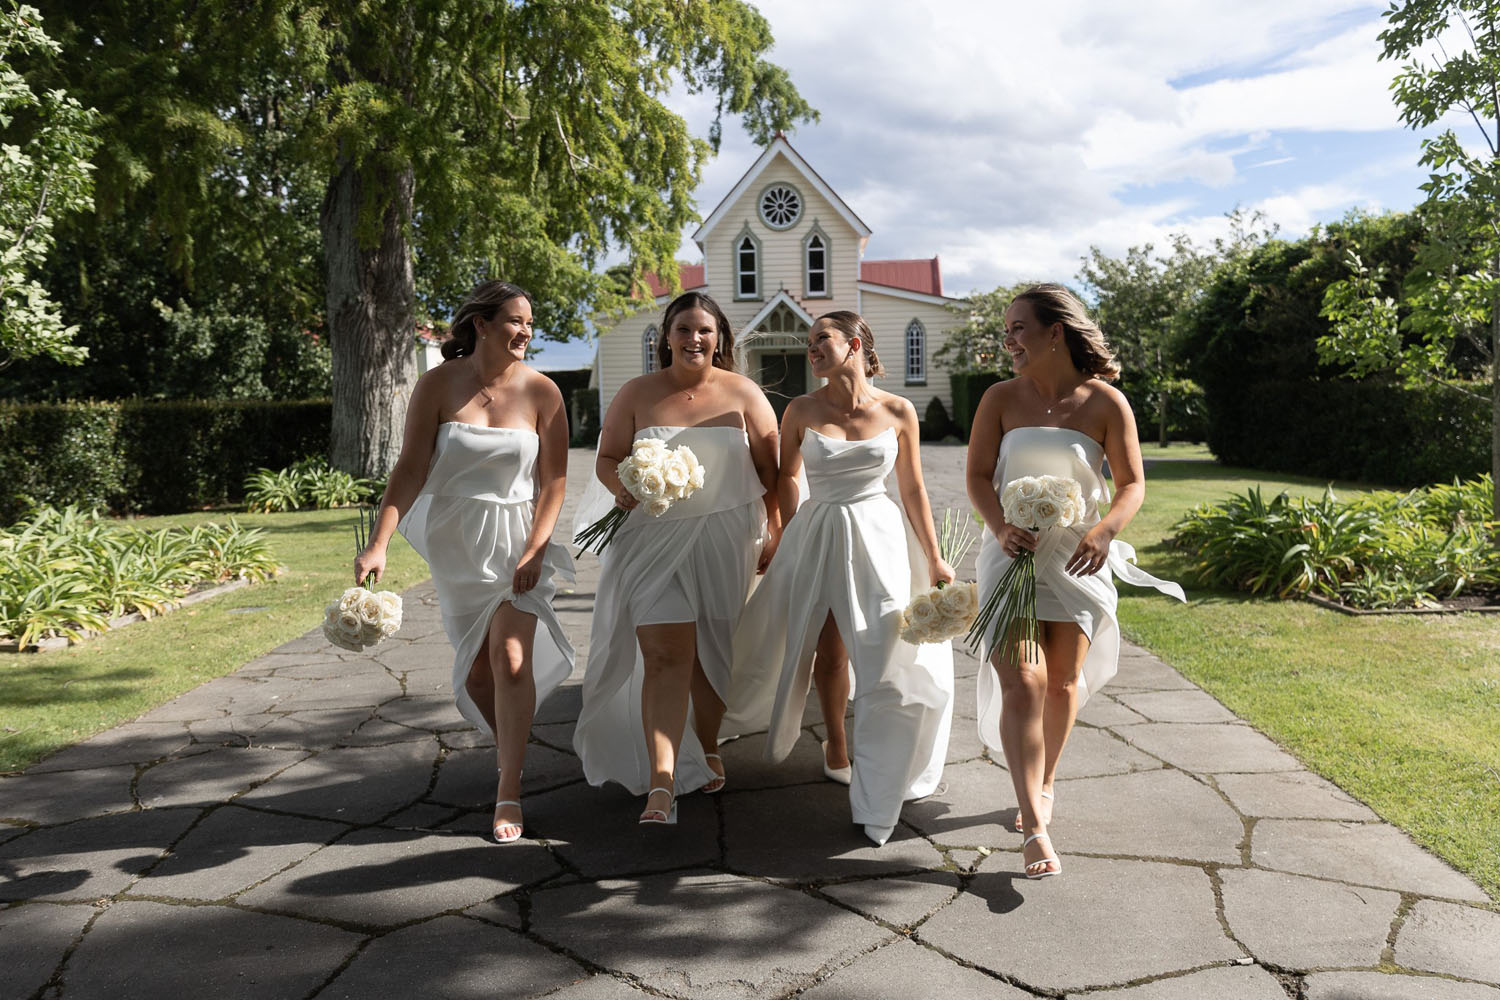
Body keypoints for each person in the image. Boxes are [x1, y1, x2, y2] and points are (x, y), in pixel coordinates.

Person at [965, 283, 1184, 879]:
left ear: (1054, 331)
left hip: (1078, 558)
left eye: (1017, 328)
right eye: (1006, 329)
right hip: (1010, 556)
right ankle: (1034, 825)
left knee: (1062, 684)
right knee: (1024, 684)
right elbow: (979, 476)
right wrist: (1000, 524)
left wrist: (1106, 530)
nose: (1007, 339)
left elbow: (1133, 483)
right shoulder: (999, 398)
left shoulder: (1106, 403)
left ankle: (1046, 781)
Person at [723, 310, 955, 847]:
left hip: (878, 536)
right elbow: (786, 476)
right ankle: (834, 743)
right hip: (819, 531)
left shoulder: (898, 410)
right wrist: (780, 533)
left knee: (880, 656)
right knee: (828, 651)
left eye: (821, 339)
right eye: (809, 342)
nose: (812, 348)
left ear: (854, 344)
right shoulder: (801, 409)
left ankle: (876, 794)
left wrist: (936, 557)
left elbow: (914, 488)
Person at [355, 280, 575, 845]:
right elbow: (410, 469)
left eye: (530, 322)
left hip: (517, 537)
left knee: (510, 657)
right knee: (478, 675)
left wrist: (535, 548)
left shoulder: (544, 392)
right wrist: (379, 542)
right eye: (515, 321)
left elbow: (554, 480)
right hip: (457, 545)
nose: (526, 332)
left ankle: (508, 790)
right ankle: (514, 751)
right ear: (481, 323)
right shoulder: (437, 385)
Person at [573, 291, 780, 825]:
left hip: (724, 538)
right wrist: (620, 488)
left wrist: (776, 531)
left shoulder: (745, 394)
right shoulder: (637, 393)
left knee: (712, 650)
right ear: (666, 336)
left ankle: (707, 743)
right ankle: (661, 783)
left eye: (704, 331)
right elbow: (608, 458)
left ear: (719, 339)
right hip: (649, 540)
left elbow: (773, 470)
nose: (694, 339)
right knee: (666, 654)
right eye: (684, 329)